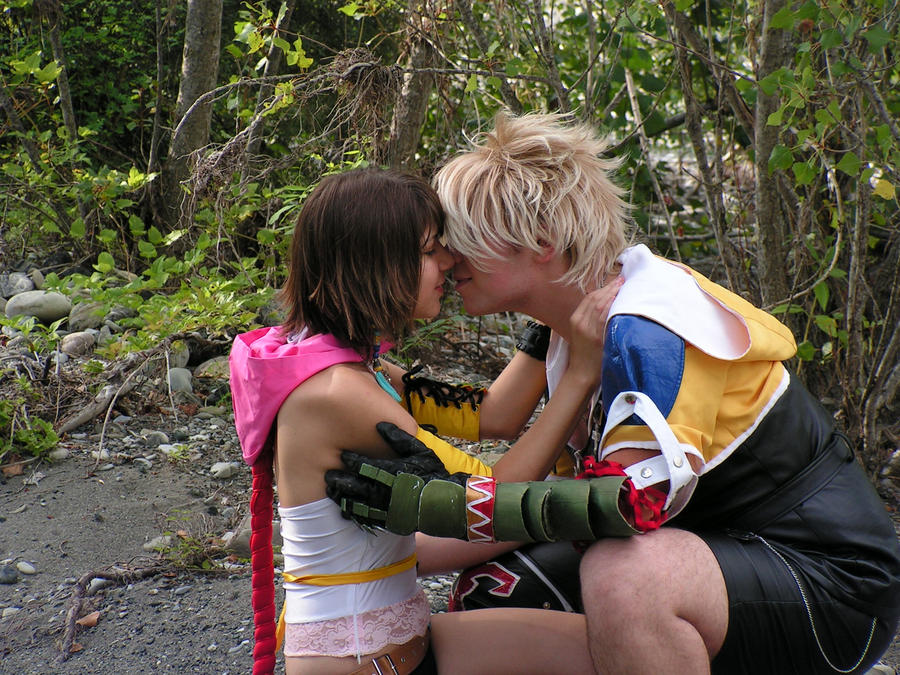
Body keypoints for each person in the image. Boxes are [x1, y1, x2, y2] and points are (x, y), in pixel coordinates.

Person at [325, 113, 900, 674]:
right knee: (499, 590)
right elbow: (513, 439)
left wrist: (434, 507)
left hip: (830, 587)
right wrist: (401, 546)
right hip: (718, 548)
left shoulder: (645, 326)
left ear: (542, 241)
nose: (448, 261)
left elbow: (619, 510)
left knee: (623, 577)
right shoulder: (575, 323)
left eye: (462, 243)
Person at [228, 167, 621, 674]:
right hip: (360, 658)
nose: (449, 263)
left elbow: (492, 415)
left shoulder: (349, 364)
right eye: (430, 251)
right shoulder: (339, 394)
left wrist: (549, 302)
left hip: (392, 640)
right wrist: (581, 373)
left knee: (608, 649)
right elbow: (493, 498)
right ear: (375, 261)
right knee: (602, 655)